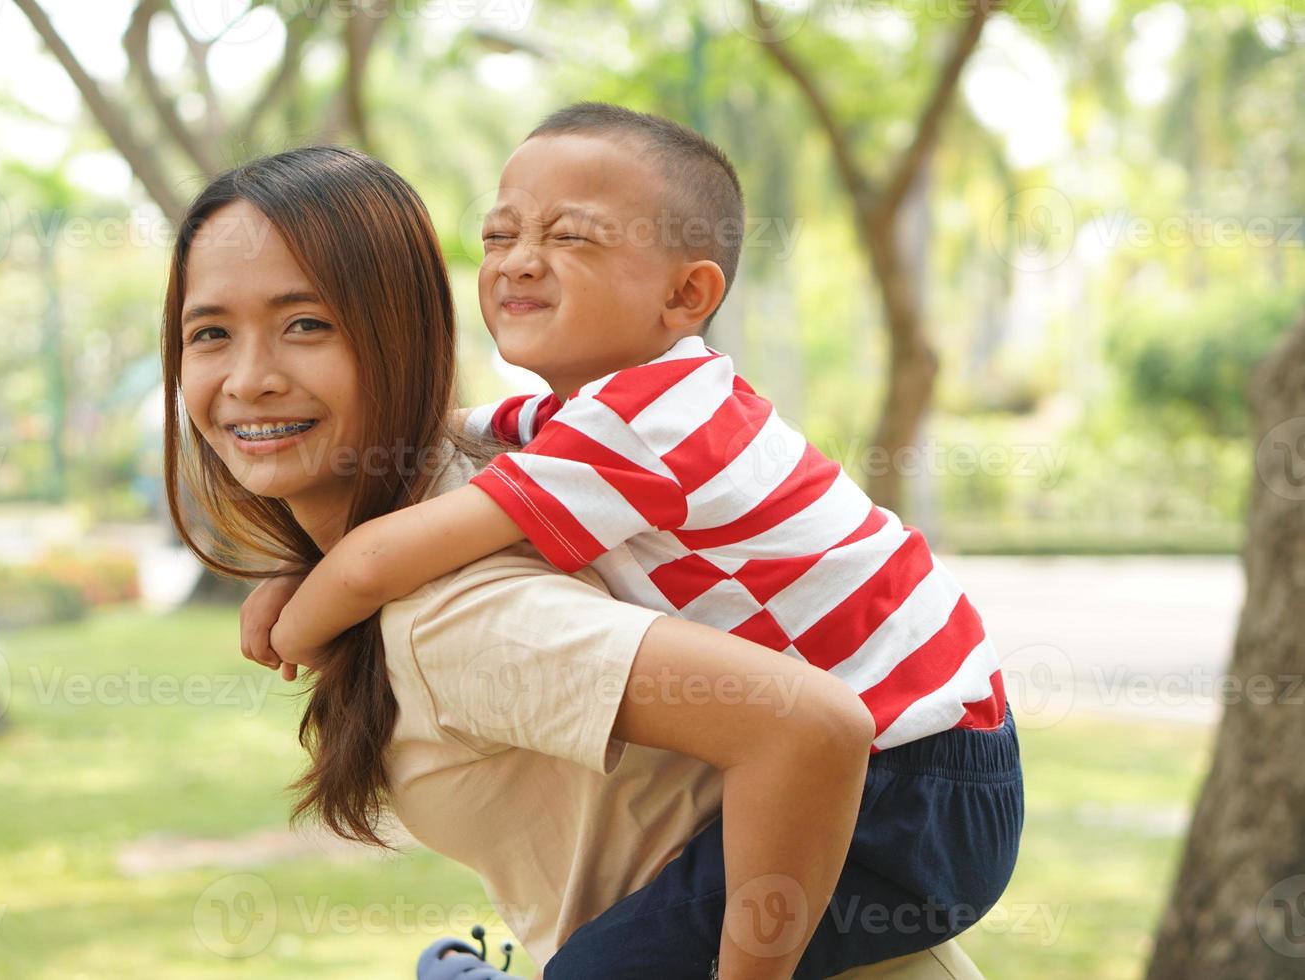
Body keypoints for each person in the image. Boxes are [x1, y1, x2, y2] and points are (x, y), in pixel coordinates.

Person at [245, 105, 1024, 974]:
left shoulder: (647, 424)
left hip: (916, 781)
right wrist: (301, 562)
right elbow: (429, 447)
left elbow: (380, 558)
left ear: (685, 295)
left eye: (570, 237)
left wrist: (299, 623)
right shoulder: (578, 417)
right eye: (500, 233)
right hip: (924, 755)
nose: (519, 259)